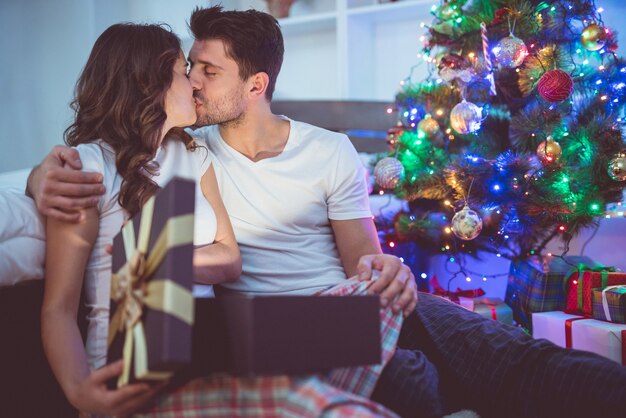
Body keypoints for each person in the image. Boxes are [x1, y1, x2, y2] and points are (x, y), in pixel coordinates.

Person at [28, 6, 626, 418]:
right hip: (270, 333)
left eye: (207, 71)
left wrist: (383, 270)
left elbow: (361, 257)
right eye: (190, 70)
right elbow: (101, 161)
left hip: (347, 305)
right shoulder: (187, 145)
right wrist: (41, 175)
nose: (195, 82)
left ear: (256, 84)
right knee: (413, 381)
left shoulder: (322, 149)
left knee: (507, 354)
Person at [39, 23, 241, 418]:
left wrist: (158, 261)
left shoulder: (195, 154)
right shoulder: (89, 167)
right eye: (184, 71)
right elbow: (58, 309)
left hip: (204, 363)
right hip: (124, 373)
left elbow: (230, 260)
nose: (195, 85)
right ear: (150, 82)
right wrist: (80, 392)